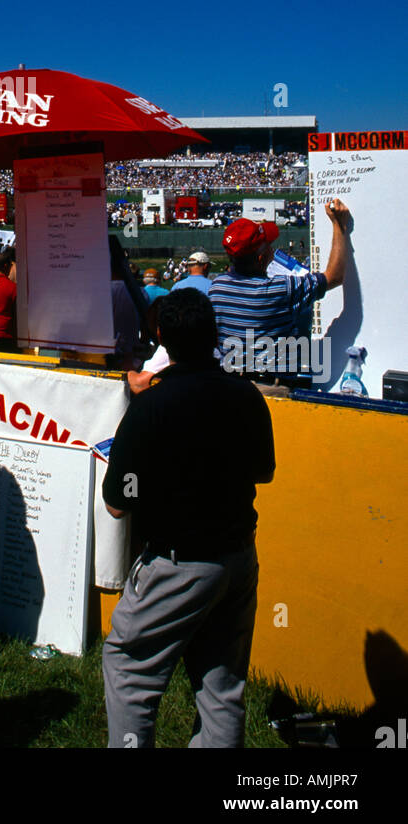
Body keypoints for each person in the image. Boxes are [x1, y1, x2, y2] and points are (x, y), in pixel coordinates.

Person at [102, 289, 275, 748]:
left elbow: (117, 503)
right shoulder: (246, 396)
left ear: (161, 339)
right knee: (222, 686)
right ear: (213, 335)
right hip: (237, 557)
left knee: (129, 668)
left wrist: (136, 413)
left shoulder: (152, 407)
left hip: (178, 562)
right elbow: (264, 472)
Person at [208, 201, 351, 379]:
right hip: (271, 388)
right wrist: (339, 225)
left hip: (230, 383)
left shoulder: (217, 287)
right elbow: (335, 276)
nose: (272, 248)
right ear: (261, 258)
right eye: (268, 245)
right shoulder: (279, 289)